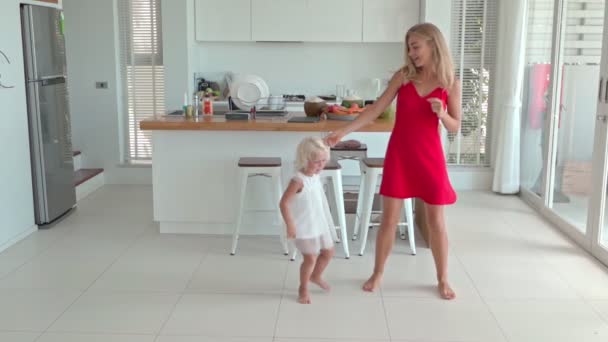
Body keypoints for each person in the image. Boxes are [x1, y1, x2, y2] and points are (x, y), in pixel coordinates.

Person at [325, 23, 461, 300]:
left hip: (430, 157)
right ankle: (377, 273)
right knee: (388, 219)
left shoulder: (450, 83)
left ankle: (442, 278)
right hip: (400, 154)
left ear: (433, 44)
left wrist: (442, 114)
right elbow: (376, 109)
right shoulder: (404, 77)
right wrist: (343, 131)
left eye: (415, 46)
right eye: (409, 47)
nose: (411, 53)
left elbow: (455, 127)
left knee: (437, 222)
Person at [279, 136, 336, 304]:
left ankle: (315, 276)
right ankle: (303, 288)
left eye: (324, 161)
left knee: (328, 252)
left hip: (318, 222)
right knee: (310, 258)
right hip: (303, 226)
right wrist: (290, 224)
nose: (321, 166)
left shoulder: (315, 175)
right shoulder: (298, 180)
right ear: (305, 160)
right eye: (317, 162)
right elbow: (284, 203)